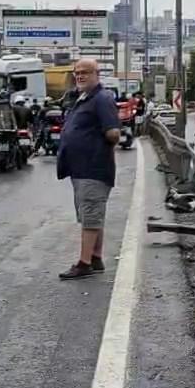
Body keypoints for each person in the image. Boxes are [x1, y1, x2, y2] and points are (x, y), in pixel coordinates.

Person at [56, 58, 121, 279]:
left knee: (91, 215)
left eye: (85, 72)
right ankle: (95, 257)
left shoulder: (102, 98)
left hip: (93, 168)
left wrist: (95, 146)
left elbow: (113, 132)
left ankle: (84, 263)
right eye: (77, 73)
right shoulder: (84, 98)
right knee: (90, 215)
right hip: (81, 169)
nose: (80, 76)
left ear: (97, 74)